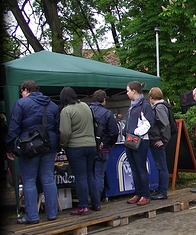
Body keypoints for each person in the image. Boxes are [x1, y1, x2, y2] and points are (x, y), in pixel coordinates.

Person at [5, 80, 59, 224]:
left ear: (25, 90)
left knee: (29, 181)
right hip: (49, 145)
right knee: (48, 178)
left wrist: (9, 148)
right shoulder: (52, 105)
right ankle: (52, 213)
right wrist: (56, 146)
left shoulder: (21, 104)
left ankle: (32, 216)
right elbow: (57, 128)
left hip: (29, 147)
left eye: (21, 92)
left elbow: (13, 128)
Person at [59, 86, 100, 215]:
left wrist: (62, 144)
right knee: (90, 175)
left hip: (75, 147)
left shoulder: (66, 111)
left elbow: (65, 132)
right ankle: (96, 203)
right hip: (91, 145)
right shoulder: (86, 106)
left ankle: (83, 206)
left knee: (80, 177)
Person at [123, 81, 154, 205]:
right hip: (130, 140)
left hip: (140, 141)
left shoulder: (144, 105)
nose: (127, 93)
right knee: (134, 168)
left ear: (134, 91)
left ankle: (145, 195)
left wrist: (136, 132)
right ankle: (138, 193)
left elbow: (149, 123)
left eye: (128, 90)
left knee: (141, 168)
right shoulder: (132, 106)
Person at [89, 89, 119, 206]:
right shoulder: (107, 113)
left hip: (89, 146)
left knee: (90, 174)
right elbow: (114, 132)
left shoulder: (87, 110)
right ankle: (97, 200)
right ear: (104, 100)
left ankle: (90, 199)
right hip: (104, 148)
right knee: (99, 174)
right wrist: (111, 143)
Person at [148, 87, 173, 200]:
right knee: (161, 166)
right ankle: (161, 190)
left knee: (161, 166)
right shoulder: (163, 106)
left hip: (158, 140)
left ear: (151, 97)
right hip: (159, 139)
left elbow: (165, 124)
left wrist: (163, 140)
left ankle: (162, 192)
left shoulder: (159, 108)